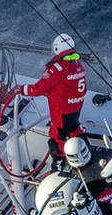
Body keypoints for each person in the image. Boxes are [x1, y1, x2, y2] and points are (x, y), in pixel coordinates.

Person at [19, 34, 88, 168]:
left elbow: (38, 89)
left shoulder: (58, 68)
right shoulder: (77, 63)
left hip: (62, 112)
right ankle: (86, 152)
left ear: (57, 49)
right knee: (74, 130)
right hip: (75, 109)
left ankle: (58, 166)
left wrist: (21, 89)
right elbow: (68, 86)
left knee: (57, 139)